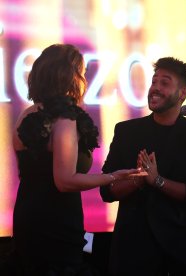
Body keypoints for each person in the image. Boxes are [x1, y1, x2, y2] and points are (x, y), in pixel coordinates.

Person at [99, 57, 186, 276]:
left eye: (164, 83)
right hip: (135, 241)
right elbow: (106, 190)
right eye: (154, 82)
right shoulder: (127, 131)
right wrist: (139, 179)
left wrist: (158, 181)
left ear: (182, 93)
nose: (155, 88)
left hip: (184, 237)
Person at [11, 44, 138, 276]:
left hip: (27, 215)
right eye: (81, 71)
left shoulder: (25, 115)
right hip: (56, 221)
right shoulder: (65, 119)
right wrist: (112, 177)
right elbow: (64, 181)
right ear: (71, 75)